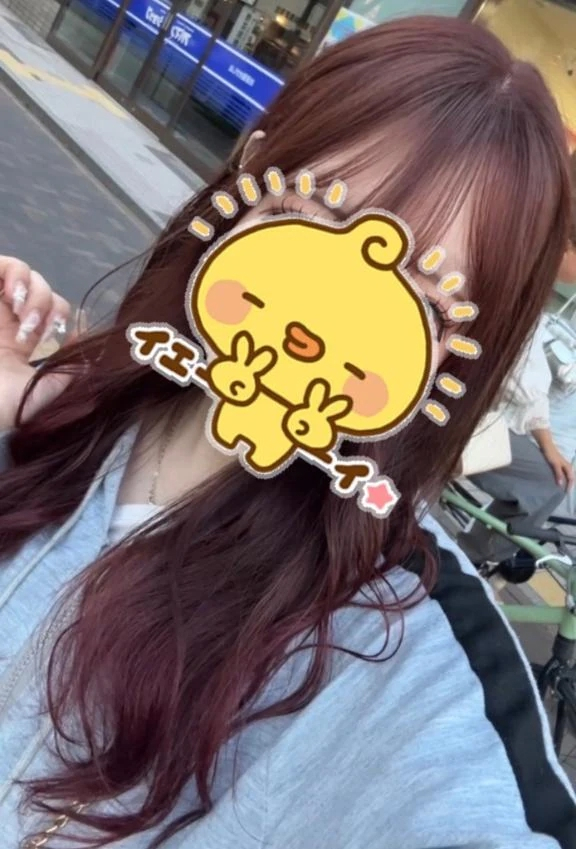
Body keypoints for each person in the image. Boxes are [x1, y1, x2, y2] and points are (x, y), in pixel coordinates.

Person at [0, 16, 575, 849]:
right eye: (317, 211)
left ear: (461, 355)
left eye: (421, 292)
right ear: (252, 170)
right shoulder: (76, 397)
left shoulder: (387, 636)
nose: (325, 313)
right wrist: (27, 402)